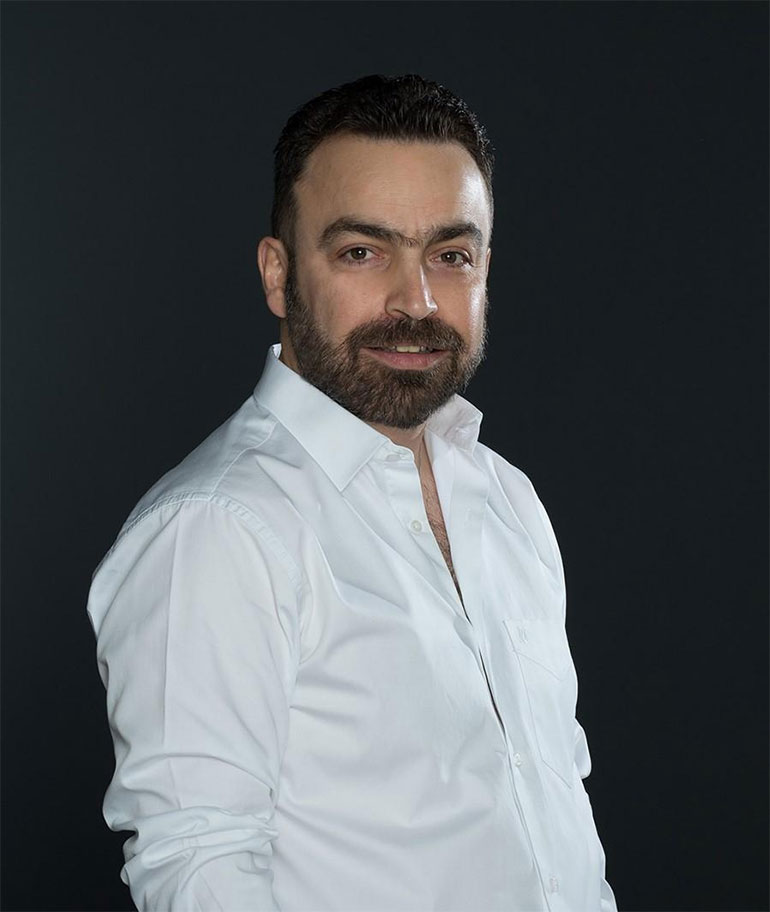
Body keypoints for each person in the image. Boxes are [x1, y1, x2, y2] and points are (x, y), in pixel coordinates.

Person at [87, 73, 617, 912]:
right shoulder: (218, 529)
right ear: (278, 275)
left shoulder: (506, 499)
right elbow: (199, 870)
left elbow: (554, 816)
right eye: (362, 252)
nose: (416, 302)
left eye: (450, 255)